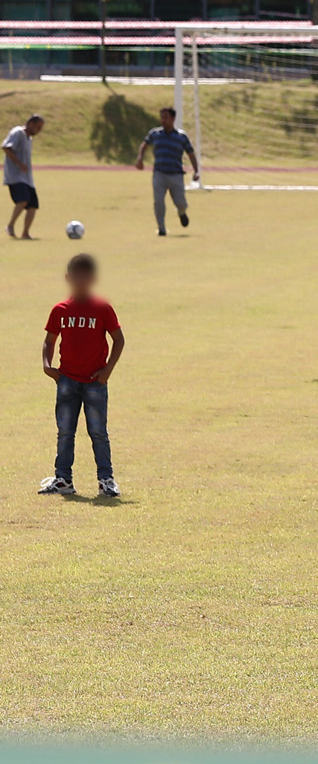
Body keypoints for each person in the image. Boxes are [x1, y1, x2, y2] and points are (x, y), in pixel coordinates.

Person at [39, 253, 125, 498]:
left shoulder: (102, 308)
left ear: (93, 279)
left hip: (95, 382)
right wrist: (47, 365)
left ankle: (106, 480)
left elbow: (118, 339)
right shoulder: (60, 310)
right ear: (68, 278)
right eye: (76, 277)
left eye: (85, 277)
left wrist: (107, 370)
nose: (80, 281)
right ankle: (63, 479)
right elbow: (49, 341)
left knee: (98, 431)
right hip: (66, 380)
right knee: (65, 431)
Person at [135, 106, 199, 237]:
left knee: (181, 203)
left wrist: (196, 171)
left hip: (176, 175)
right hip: (159, 173)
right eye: (162, 117)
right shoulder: (155, 134)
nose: (163, 120)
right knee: (158, 201)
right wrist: (140, 159)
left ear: (173, 118)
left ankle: (181, 212)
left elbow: (191, 154)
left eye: (166, 117)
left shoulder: (181, 137)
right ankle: (162, 229)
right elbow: (144, 145)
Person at [5, 113, 43, 240]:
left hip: (27, 178)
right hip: (15, 176)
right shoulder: (18, 132)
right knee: (23, 200)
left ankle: (25, 233)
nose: (39, 131)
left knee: (33, 206)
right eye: (38, 127)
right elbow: (6, 147)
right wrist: (19, 163)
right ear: (31, 123)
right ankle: (10, 225)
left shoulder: (29, 139)